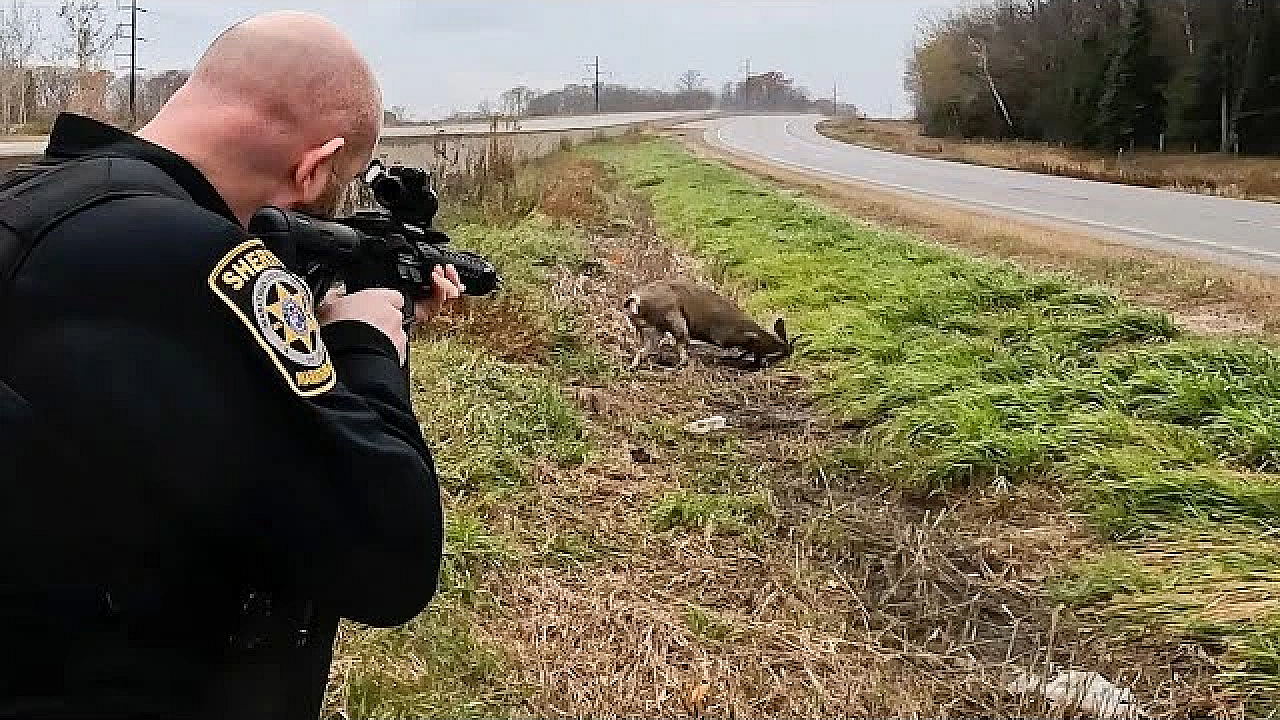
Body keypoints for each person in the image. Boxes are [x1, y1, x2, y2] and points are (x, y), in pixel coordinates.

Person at [0, 11, 459, 719]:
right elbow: (391, 554)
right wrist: (367, 342)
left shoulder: (31, 201)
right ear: (314, 166)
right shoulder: (208, 264)